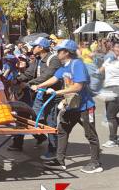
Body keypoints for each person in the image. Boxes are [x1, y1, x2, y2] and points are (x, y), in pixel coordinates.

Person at [35, 39, 102, 174]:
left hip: (85, 106)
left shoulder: (77, 64)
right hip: (72, 106)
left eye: (59, 50)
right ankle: (60, 161)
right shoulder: (64, 66)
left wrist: (57, 92)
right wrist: (38, 85)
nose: (57, 53)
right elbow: (54, 78)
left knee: (90, 134)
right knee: (63, 130)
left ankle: (96, 163)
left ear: (66, 52)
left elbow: (78, 86)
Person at [13, 37, 62, 157]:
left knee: (50, 123)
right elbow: (29, 73)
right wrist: (17, 80)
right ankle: (41, 138)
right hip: (40, 95)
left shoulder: (53, 59)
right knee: (33, 118)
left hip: (52, 96)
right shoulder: (38, 60)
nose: (32, 48)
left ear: (41, 48)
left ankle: (53, 150)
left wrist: (29, 84)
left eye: (34, 46)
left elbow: (47, 76)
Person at [99, 41, 119, 148]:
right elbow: (100, 72)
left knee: (110, 116)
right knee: (111, 115)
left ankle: (113, 139)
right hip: (109, 89)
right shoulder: (109, 60)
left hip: (114, 90)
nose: (117, 49)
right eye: (116, 47)